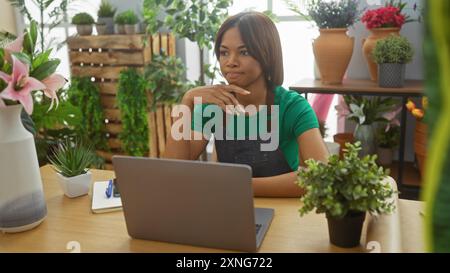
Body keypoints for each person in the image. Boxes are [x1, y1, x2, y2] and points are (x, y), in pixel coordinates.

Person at [163, 11, 329, 197]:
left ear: (266, 54)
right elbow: (174, 171)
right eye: (224, 52)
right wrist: (186, 101)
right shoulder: (212, 106)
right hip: (229, 210)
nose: (230, 62)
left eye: (244, 52)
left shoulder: (292, 107)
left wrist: (236, 185)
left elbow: (320, 175)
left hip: (283, 214)